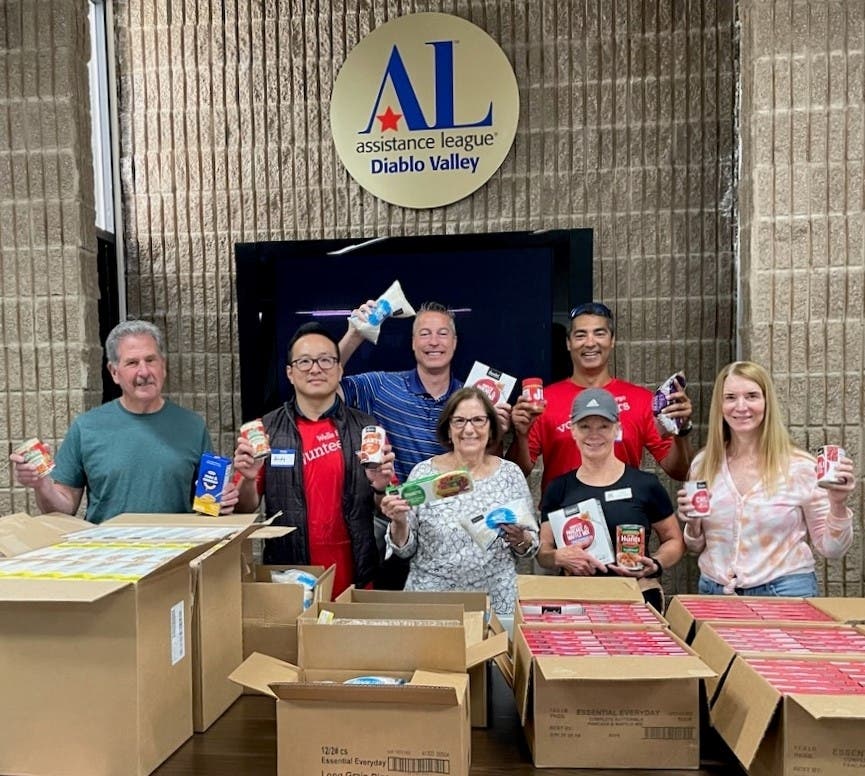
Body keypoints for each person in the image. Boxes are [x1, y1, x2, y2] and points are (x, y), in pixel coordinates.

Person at [9, 320, 235, 524]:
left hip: (175, 558)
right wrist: (42, 485)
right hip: (108, 559)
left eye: (150, 360)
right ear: (114, 372)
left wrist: (223, 500)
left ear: (163, 366)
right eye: (132, 363)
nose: (144, 372)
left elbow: (209, 504)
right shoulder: (86, 427)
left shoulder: (192, 426)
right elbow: (63, 509)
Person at [233, 322, 394, 596]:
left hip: (357, 577)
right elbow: (244, 509)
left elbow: (387, 508)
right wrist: (248, 480)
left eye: (326, 360)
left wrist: (381, 486)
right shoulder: (265, 430)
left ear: (340, 369)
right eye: (304, 361)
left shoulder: (367, 429)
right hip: (288, 581)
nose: (315, 368)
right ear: (290, 373)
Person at [677, 361, 856, 597]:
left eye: (752, 396)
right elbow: (695, 546)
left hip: (784, 593)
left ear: (766, 402)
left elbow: (833, 550)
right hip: (716, 593)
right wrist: (692, 522)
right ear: (719, 405)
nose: (741, 406)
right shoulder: (704, 465)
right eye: (730, 397)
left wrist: (838, 504)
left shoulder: (800, 467)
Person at [378, 387, 538, 615]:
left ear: (491, 426)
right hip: (433, 604)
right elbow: (404, 551)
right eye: (459, 421)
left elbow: (531, 548)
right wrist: (399, 522)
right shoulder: (424, 474)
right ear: (448, 429)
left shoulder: (510, 474)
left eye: (478, 420)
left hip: (495, 603)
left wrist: (520, 538)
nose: (469, 429)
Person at [508, 301, 694, 493]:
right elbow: (515, 475)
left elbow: (680, 472)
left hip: (625, 517)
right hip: (562, 518)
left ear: (612, 340)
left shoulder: (640, 400)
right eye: (580, 335)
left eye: (599, 333)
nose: (590, 343)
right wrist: (521, 435)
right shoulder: (544, 402)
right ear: (568, 343)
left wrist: (681, 430)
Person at [536, 388, 685, 611]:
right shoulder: (559, 487)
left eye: (604, 426)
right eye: (585, 426)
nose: (593, 435)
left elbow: (674, 540)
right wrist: (558, 557)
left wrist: (655, 563)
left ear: (618, 430)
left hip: (636, 597)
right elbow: (542, 552)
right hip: (578, 599)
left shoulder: (645, 484)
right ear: (573, 431)